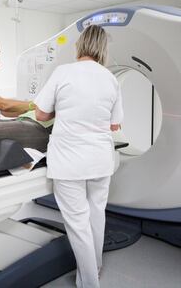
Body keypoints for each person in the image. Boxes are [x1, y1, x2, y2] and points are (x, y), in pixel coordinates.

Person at [34, 25, 123, 288]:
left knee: (78, 224)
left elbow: (40, 114)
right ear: (104, 48)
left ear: (79, 45)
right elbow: (114, 124)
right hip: (100, 160)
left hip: (70, 161)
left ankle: (90, 283)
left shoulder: (64, 72)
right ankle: (94, 267)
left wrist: (63, 113)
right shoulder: (110, 78)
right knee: (97, 215)